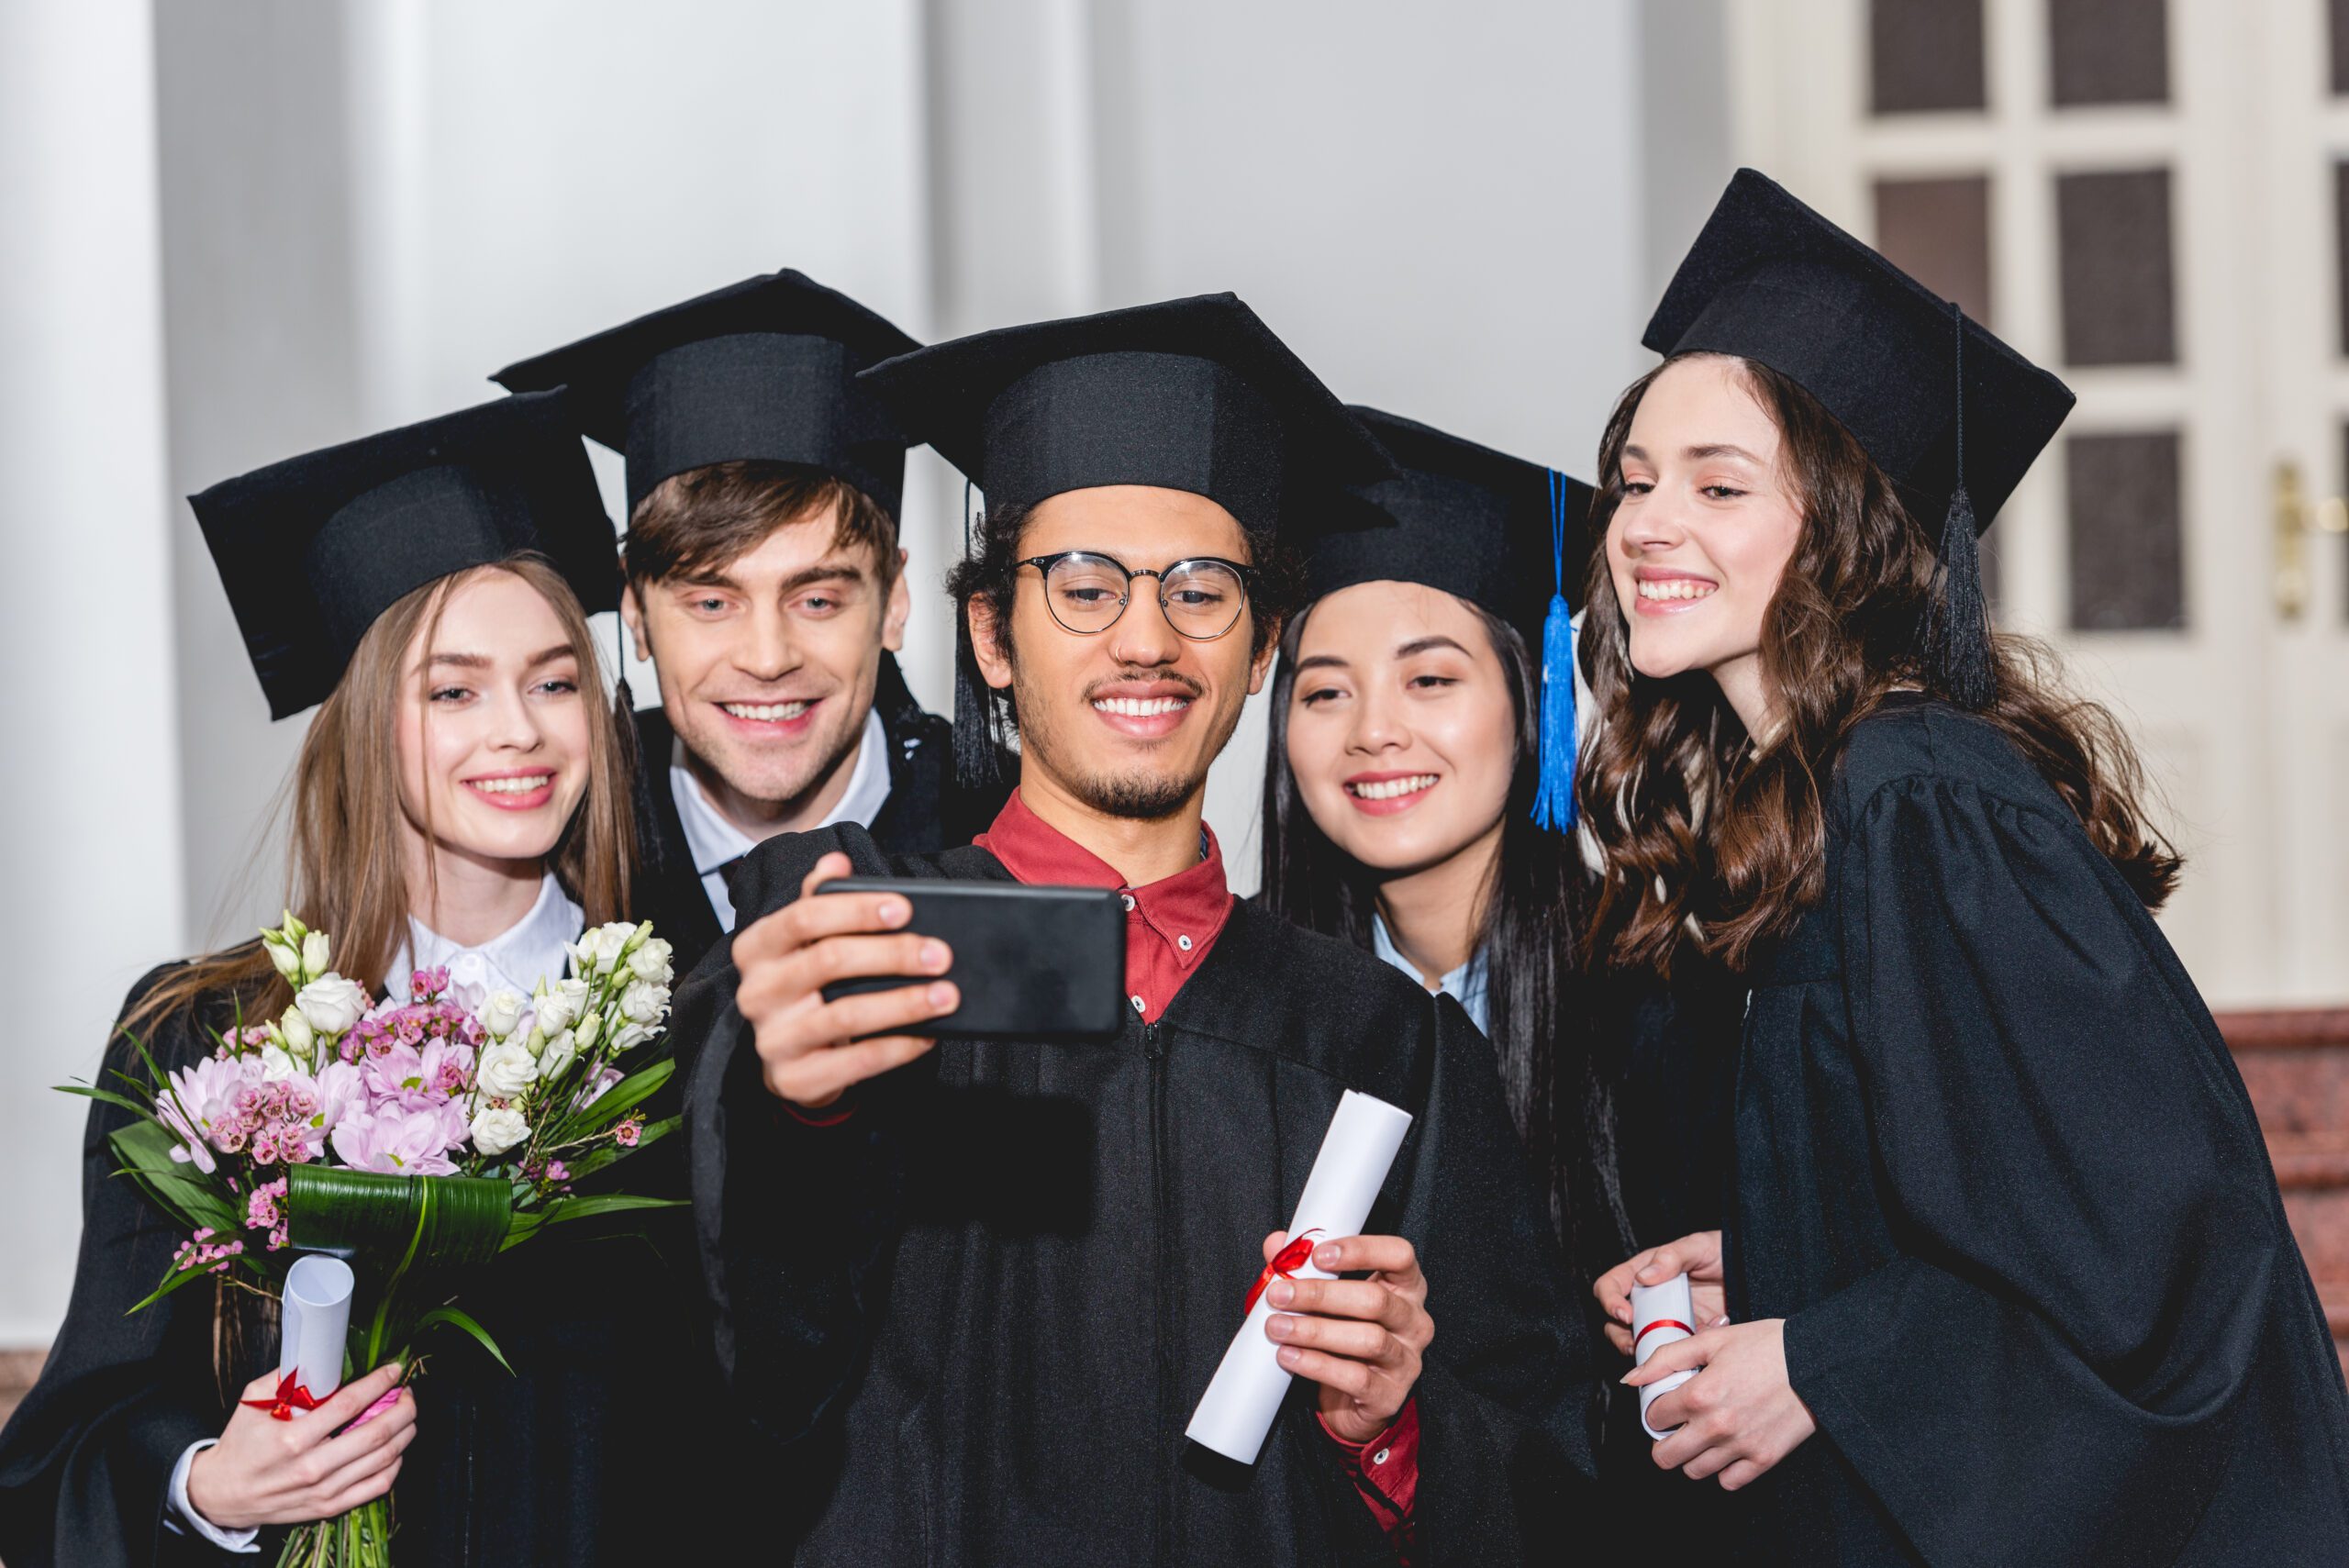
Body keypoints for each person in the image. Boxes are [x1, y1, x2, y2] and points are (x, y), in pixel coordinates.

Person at [672, 294, 1596, 1564]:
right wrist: (796, 1122)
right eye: (1085, 587)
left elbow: (1548, 1471)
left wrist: (1391, 1425)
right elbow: (744, 1394)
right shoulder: (854, 966)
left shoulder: (1386, 1043)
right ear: (992, 635)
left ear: (1265, 646)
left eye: (1203, 591)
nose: (1147, 639)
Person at [1584, 170, 2349, 1563]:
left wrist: (1826, 1357)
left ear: (1848, 525)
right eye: (1635, 481)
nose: (1646, 526)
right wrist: (1775, 1273)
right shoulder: (1807, 808)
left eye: (1717, 484)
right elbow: (1964, 1203)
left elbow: (2140, 1244)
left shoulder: (1924, 800)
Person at [0, 393, 659, 1565]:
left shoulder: (675, 1035)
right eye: (452, 690)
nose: (519, 729)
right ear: (362, 724)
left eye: (556, 682)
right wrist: (214, 1484)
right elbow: (80, 1434)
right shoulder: (203, 1040)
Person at [1258, 406, 1743, 1548]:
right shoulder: (1256, 1029)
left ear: (1534, 704)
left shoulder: (1671, 1010)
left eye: (1430, 680)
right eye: (1322, 691)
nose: (1373, 731)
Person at [495, 269, 1003, 974]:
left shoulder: (998, 838)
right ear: (636, 614)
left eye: (817, 600)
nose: (767, 658)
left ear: (894, 603)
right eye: (711, 602)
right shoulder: (549, 850)